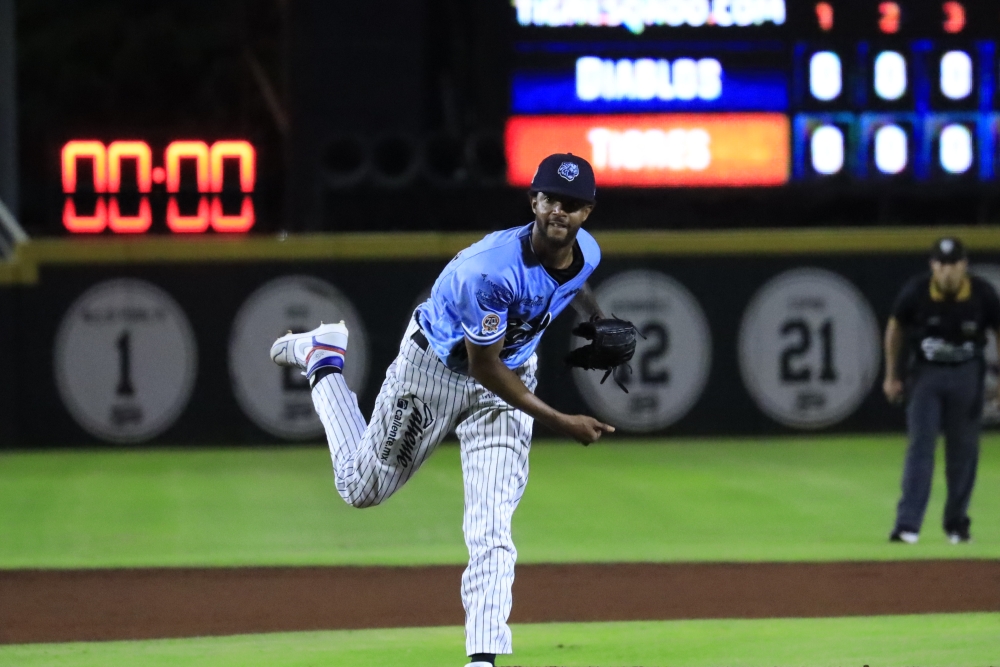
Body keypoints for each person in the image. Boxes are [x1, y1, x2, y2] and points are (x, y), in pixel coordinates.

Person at [269, 153, 614, 667]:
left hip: (511, 375)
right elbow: (484, 368)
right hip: (436, 370)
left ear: (587, 212)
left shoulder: (587, 251)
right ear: (534, 201)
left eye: (573, 203)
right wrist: (562, 421)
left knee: (492, 524)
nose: (560, 211)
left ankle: (483, 659)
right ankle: (322, 359)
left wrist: (600, 319)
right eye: (551, 199)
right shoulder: (490, 271)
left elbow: (573, 279)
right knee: (360, 488)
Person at [883, 236, 1000, 544]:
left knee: (964, 452)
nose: (948, 270)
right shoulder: (917, 291)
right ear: (932, 266)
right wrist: (891, 375)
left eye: (954, 264)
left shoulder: (982, 293)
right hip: (926, 374)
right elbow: (895, 328)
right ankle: (907, 526)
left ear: (964, 265)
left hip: (967, 374)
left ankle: (957, 525)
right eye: (942, 264)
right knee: (920, 448)